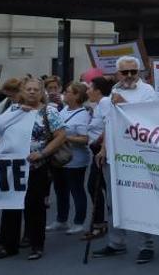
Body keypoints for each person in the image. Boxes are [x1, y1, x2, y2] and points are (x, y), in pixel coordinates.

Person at [0, 78, 67, 261]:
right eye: (28, 89)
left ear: (42, 93)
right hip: (14, 167)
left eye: (36, 89)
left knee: (35, 207)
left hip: (36, 167)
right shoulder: (14, 109)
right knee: (10, 205)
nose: (32, 92)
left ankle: (36, 245)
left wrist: (42, 153)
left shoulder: (48, 111)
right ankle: (9, 246)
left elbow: (61, 136)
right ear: (22, 92)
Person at [93, 55, 158, 264]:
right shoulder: (114, 90)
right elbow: (110, 123)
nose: (129, 76)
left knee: (140, 199)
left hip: (138, 157)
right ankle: (116, 242)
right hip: (115, 156)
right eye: (125, 72)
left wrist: (125, 104)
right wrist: (103, 148)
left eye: (133, 71)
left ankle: (146, 244)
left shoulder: (147, 91)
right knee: (114, 202)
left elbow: (149, 120)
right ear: (117, 73)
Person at [48, 82, 92, 235]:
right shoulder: (64, 109)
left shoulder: (82, 115)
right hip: (60, 158)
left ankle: (79, 222)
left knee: (76, 190)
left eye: (67, 92)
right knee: (60, 190)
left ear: (77, 96)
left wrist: (65, 138)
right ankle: (61, 220)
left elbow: (85, 139)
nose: (64, 94)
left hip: (75, 159)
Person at [84, 76, 114, 241]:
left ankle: (100, 224)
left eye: (90, 88)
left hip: (102, 152)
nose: (87, 91)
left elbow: (110, 124)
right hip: (96, 152)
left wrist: (99, 143)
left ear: (98, 90)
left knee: (94, 186)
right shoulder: (98, 105)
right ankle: (102, 222)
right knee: (99, 187)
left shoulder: (105, 103)